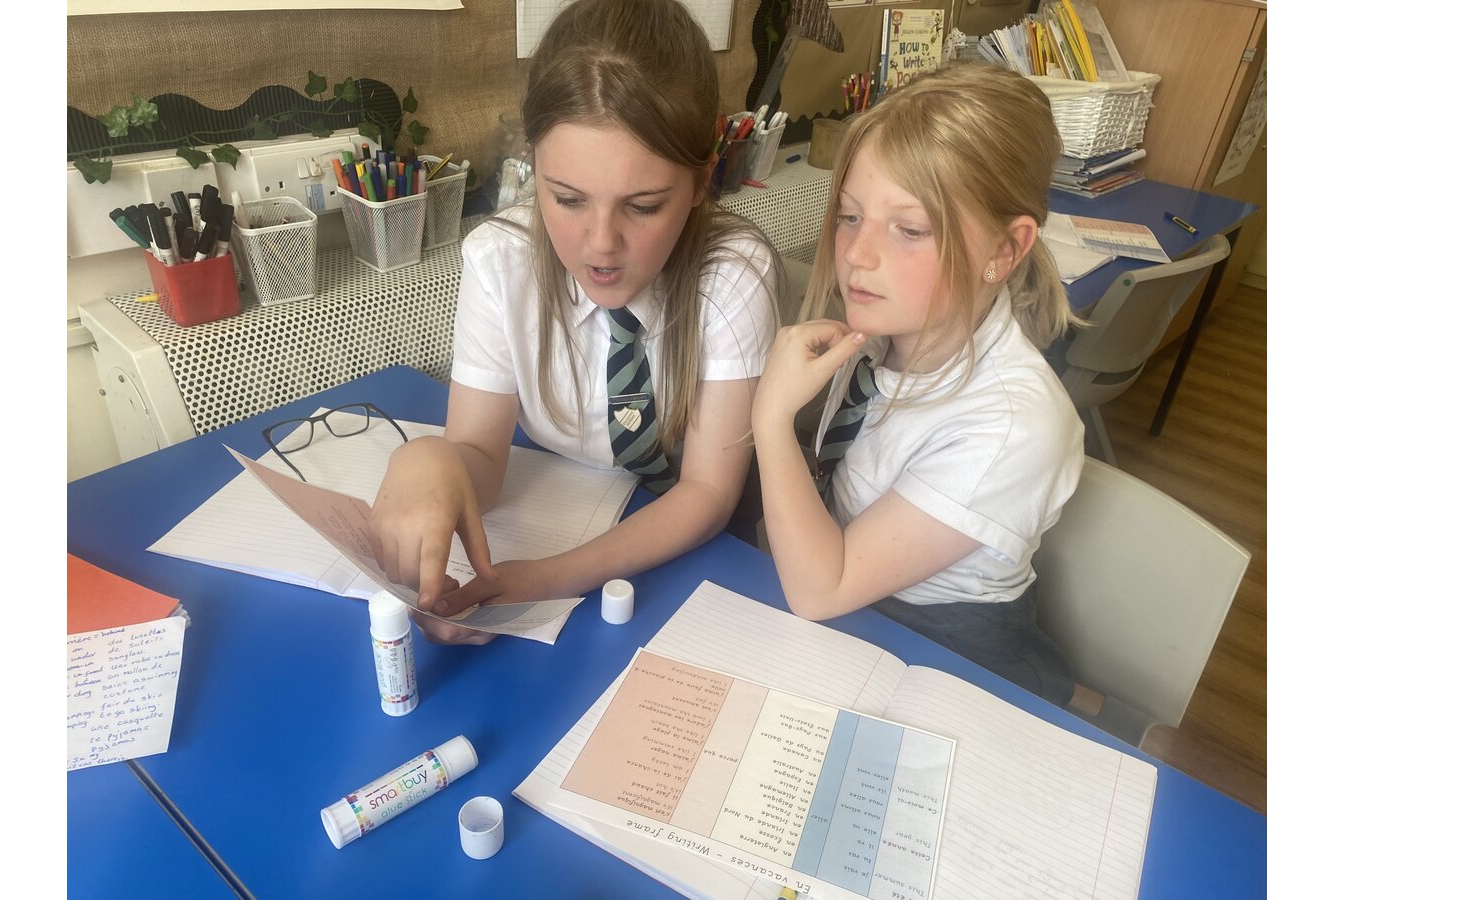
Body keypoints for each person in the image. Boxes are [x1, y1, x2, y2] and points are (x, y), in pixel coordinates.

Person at [368, 0, 779, 644]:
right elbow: (481, 455)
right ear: (535, 166)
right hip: (571, 506)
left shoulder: (732, 274)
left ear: (702, 180)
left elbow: (707, 492)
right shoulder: (499, 261)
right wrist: (432, 461)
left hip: (694, 559)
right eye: (566, 199)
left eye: (643, 206)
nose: (601, 244)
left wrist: (552, 577)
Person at [750, 63, 1085, 705]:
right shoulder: (886, 330)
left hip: (952, 659)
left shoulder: (1013, 424)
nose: (857, 254)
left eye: (910, 230)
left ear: (1005, 249)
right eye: (850, 217)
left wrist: (771, 420)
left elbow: (821, 590)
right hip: (851, 610)